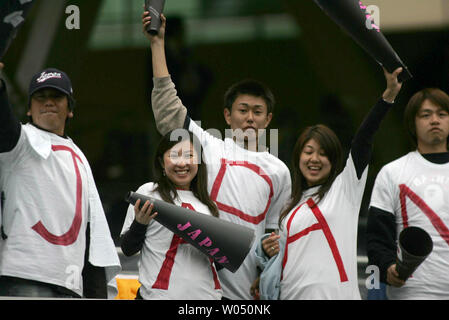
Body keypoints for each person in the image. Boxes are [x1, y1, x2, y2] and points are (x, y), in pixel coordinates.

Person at [143, 13, 292, 300]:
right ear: (227, 115)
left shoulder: (279, 171)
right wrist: (157, 44)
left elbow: (274, 236)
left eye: (257, 112)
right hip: (198, 291)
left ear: (268, 119)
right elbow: (168, 109)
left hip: (247, 293)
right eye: (242, 110)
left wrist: (267, 272)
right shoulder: (207, 146)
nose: (250, 117)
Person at [255, 67, 403, 300]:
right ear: (298, 158)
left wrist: (388, 96)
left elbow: (363, 140)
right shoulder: (288, 208)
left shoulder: (344, 189)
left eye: (323, 154)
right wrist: (267, 251)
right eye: (309, 151)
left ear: (333, 161)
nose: (314, 159)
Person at [0, 63, 121, 298]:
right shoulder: (20, 142)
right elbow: (4, 128)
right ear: (28, 109)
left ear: (70, 109)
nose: (48, 102)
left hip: (70, 285)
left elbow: (93, 233)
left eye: (56, 96)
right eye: (40, 97)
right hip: (23, 278)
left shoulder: (79, 156)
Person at [367, 87, 449, 299]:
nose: (434, 120)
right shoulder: (392, 173)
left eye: (442, 114)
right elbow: (377, 238)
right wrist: (387, 268)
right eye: (425, 115)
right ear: (412, 123)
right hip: (412, 292)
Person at [120, 130, 222, 300]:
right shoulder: (148, 193)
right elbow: (128, 249)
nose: (182, 163)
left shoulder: (210, 206)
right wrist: (140, 224)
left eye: (189, 155)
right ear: (161, 161)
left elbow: (218, 264)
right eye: (174, 155)